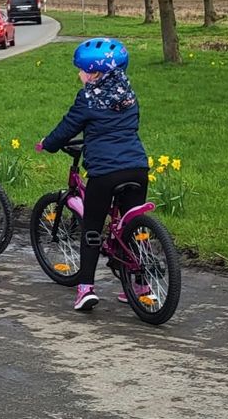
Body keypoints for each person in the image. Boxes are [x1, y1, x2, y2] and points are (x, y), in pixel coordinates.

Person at [37, 38, 149, 312]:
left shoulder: (88, 98)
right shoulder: (128, 94)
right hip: (137, 167)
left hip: (105, 172)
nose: (79, 74)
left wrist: (48, 144)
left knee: (92, 228)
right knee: (131, 227)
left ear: (94, 73)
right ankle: (140, 285)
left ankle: (85, 288)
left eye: (81, 70)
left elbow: (67, 127)